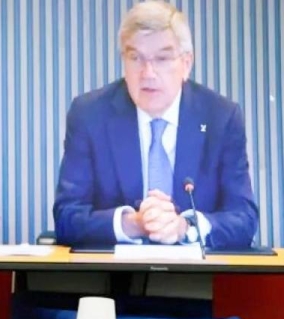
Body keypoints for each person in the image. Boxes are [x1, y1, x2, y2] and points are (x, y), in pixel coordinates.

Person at [53, 0, 258, 249]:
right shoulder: (89, 115)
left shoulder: (221, 117)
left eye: (162, 58)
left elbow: (244, 218)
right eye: (136, 58)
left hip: (201, 281)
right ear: (123, 60)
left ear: (186, 64)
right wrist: (134, 223)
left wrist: (185, 227)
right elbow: (67, 217)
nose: (148, 73)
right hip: (111, 279)